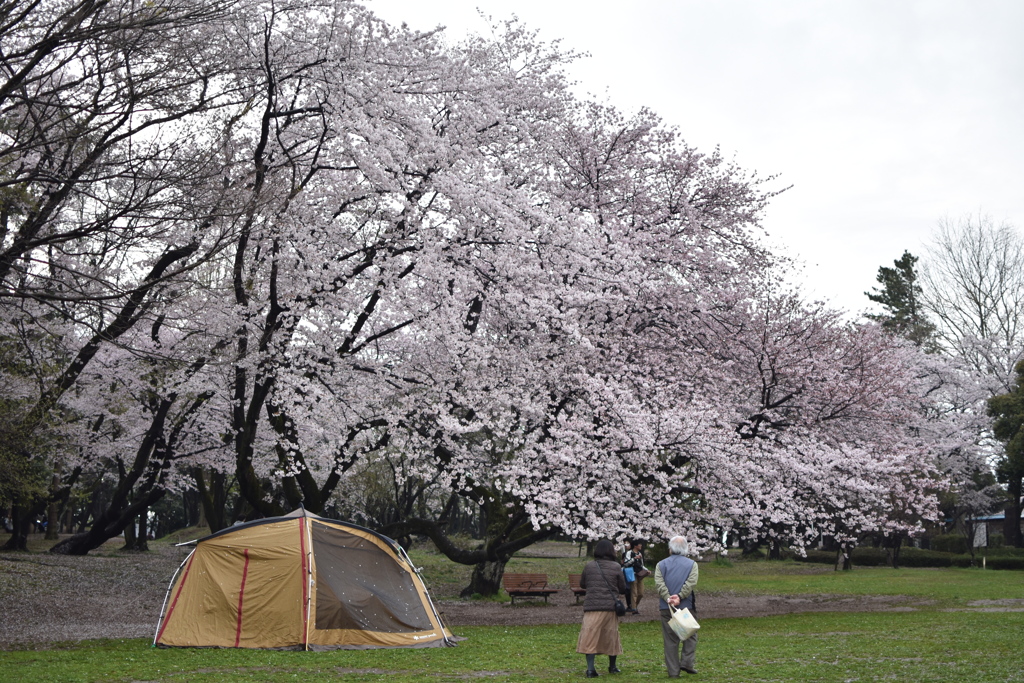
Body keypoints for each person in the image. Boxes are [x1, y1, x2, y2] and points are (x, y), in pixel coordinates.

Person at [577, 538, 628, 678]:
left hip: (592, 606)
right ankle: (612, 666)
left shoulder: (589, 566)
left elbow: (583, 584)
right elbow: (622, 587)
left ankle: (590, 669)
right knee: (611, 636)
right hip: (610, 607)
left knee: (590, 636)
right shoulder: (616, 567)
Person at [655, 535, 699, 677]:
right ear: (686, 549)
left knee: (670, 640)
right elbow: (690, 583)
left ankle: (673, 672)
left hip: (666, 607)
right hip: (686, 607)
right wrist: (679, 597)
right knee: (691, 634)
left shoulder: (661, 565)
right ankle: (687, 662)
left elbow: (659, 584)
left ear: (670, 549)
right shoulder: (692, 564)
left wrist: (668, 597)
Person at [622, 540, 649, 614]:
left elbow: (641, 564)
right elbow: (626, 564)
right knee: (634, 592)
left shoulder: (640, 554)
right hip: (632, 574)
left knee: (641, 593)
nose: (641, 546)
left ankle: (634, 606)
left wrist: (646, 570)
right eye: (639, 544)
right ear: (635, 546)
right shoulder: (629, 553)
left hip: (639, 574)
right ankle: (634, 609)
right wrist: (634, 558)